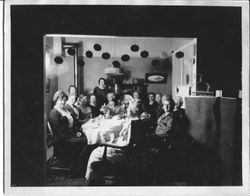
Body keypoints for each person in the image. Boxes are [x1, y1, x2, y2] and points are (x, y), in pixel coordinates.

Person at [85, 100, 140, 182]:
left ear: (131, 111)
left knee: (94, 153)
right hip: (128, 149)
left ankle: (93, 181)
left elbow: (126, 143)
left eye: (128, 108)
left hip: (122, 150)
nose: (127, 110)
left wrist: (107, 143)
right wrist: (115, 140)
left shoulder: (132, 123)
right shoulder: (136, 121)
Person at [48, 90, 87, 177]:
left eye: (65, 100)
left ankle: (80, 165)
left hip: (69, 137)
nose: (63, 102)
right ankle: (76, 169)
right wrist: (75, 136)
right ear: (55, 100)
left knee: (85, 138)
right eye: (61, 100)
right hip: (62, 142)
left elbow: (75, 123)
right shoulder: (53, 113)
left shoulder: (65, 110)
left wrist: (78, 133)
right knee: (83, 141)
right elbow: (59, 133)